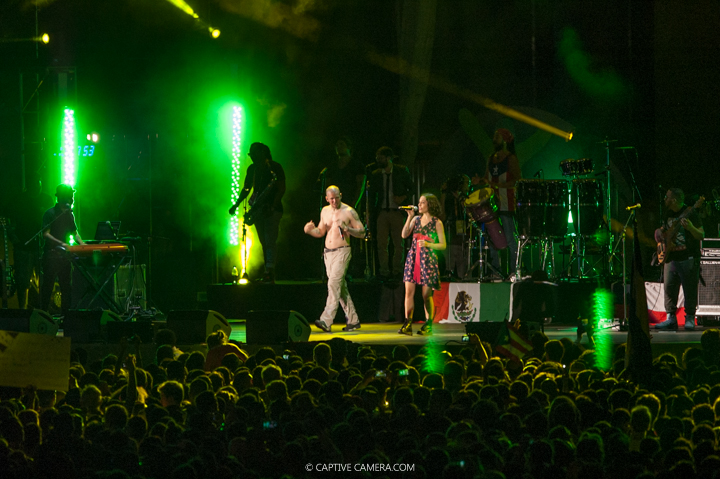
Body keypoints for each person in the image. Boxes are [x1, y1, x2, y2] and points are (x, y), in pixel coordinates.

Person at [304, 185, 366, 333]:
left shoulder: (349, 211)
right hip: (328, 253)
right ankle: (353, 320)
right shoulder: (325, 211)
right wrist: (309, 231)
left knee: (333, 284)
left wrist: (348, 229)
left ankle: (326, 320)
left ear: (341, 196)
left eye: (336, 198)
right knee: (340, 287)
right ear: (327, 198)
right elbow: (320, 231)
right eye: (331, 199)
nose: (334, 201)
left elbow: (362, 232)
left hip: (342, 251)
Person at [229, 142, 286, 283]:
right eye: (250, 154)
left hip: (272, 209)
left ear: (262, 152)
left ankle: (269, 271)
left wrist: (272, 205)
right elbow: (247, 188)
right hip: (258, 208)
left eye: (254, 153)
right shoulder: (252, 169)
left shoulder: (275, 167)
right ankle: (268, 272)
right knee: (264, 242)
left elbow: (281, 188)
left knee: (270, 239)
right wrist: (236, 205)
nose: (251, 157)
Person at [655, 188, 704, 330]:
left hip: (687, 257)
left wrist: (690, 228)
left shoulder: (691, 213)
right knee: (669, 289)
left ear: (674, 200)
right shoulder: (668, 213)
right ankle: (671, 318)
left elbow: (701, 234)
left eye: (667, 197)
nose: (665, 199)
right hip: (670, 257)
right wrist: (659, 232)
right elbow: (664, 230)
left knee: (689, 288)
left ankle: (689, 317)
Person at [398, 194, 446, 335]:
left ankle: (428, 323)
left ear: (429, 204)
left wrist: (428, 244)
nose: (419, 205)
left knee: (426, 295)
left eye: (422, 203)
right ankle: (407, 323)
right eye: (419, 202)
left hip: (427, 259)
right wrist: (409, 217)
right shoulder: (416, 219)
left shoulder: (437, 222)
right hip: (413, 258)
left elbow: (443, 245)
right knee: (409, 291)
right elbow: (404, 234)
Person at [477, 128, 521, 278]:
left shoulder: (511, 158)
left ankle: (514, 271)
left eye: (497, 137)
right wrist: (481, 182)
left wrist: (497, 186)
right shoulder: (490, 158)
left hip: (506, 204)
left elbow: (517, 180)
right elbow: (486, 178)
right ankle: (496, 270)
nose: (494, 139)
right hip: (492, 205)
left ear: (505, 140)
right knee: (493, 238)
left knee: (510, 239)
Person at [369, 146, 414, 280]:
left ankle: (397, 270)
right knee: (381, 243)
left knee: (398, 243)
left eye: (381, 158)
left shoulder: (401, 171)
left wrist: (402, 197)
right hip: (382, 211)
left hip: (397, 211)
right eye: (377, 158)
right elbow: (372, 195)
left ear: (389, 158)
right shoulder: (376, 174)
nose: (378, 160)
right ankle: (384, 270)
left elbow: (411, 188)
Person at [41, 184, 84, 316]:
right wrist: (61, 244)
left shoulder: (69, 215)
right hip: (51, 255)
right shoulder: (50, 214)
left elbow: (74, 233)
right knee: (47, 287)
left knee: (67, 288)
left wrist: (83, 245)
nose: (71, 199)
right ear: (61, 197)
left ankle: (67, 317)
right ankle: (43, 316)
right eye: (69, 196)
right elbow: (45, 234)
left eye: (71, 196)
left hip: (65, 257)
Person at [321, 137, 365, 209]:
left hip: (350, 204)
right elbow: (327, 186)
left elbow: (360, 187)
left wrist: (354, 204)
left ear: (349, 147)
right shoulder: (332, 166)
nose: (339, 147)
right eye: (337, 145)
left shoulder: (357, 165)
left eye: (341, 144)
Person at [441, 174, 471, 280]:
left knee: (462, 257)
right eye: (467, 183)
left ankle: (463, 277)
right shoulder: (447, 196)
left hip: (463, 231)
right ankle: (450, 274)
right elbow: (443, 213)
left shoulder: (465, 197)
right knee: (451, 255)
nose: (469, 185)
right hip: (451, 229)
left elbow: (469, 212)